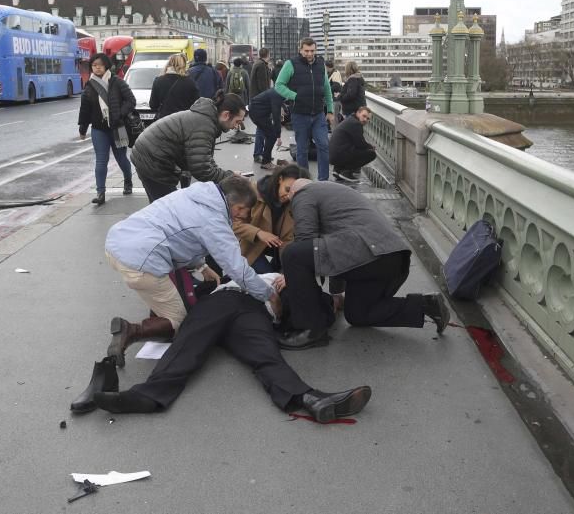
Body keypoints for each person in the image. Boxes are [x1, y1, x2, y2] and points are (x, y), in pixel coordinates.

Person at [92, 286, 372, 422]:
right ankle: (147, 395)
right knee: (189, 346)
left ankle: (309, 397)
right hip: (221, 299)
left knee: (266, 356)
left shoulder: (286, 288)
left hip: (253, 312)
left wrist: (331, 305)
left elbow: (327, 304)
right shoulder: (241, 269)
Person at [103, 176, 279, 367]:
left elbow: (181, 234)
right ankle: (130, 331)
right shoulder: (214, 220)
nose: (244, 216)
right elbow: (237, 268)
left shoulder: (196, 194)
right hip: (141, 261)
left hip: (117, 243)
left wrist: (201, 266)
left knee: (165, 295)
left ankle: (157, 314)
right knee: (178, 321)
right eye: (242, 209)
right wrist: (269, 294)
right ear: (232, 202)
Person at [275, 179, 450, 349]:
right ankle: (426, 305)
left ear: (294, 193)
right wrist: (336, 293)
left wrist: (291, 276)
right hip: (390, 258)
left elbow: (305, 240)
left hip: (369, 253)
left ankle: (311, 329)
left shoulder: (304, 193)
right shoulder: (335, 194)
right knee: (358, 314)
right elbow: (332, 252)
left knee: (293, 254)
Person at [77, 53, 136, 205]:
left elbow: (131, 101)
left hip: (118, 127)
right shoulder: (90, 85)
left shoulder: (117, 82)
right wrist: (83, 128)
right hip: (99, 129)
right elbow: (85, 109)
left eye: (100, 65)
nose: (97, 68)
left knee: (121, 158)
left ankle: (128, 181)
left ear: (106, 66)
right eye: (94, 65)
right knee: (101, 161)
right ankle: (100, 193)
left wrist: (120, 114)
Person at [274, 38, 334, 181]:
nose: (309, 54)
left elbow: (326, 88)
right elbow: (279, 85)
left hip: (319, 114)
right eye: (306, 51)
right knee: (302, 150)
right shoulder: (290, 64)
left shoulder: (320, 64)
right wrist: (295, 96)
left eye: (312, 50)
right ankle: (304, 181)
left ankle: (323, 181)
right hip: (300, 114)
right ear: (300, 49)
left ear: (315, 50)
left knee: (324, 145)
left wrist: (330, 110)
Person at [234, 164, 308, 274]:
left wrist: (286, 272)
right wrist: (259, 233)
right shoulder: (253, 192)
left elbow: (288, 239)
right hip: (247, 245)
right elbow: (233, 223)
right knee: (269, 280)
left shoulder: (294, 203)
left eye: (293, 193)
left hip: (275, 246)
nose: (288, 196)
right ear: (280, 179)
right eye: (287, 189)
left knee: (281, 278)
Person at [329, 106, 376, 182]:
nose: (365, 120)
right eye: (364, 116)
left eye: (368, 119)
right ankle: (346, 172)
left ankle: (338, 170)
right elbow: (360, 143)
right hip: (338, 155)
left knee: (354, 149)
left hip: (333, 156)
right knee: (371, 154)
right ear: (358, 113)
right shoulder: (356, 124)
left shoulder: (350, 120)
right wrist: (371, 147)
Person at [149, 53, 199, 120]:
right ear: (184, 65)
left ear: (169, 64)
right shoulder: (190, 82)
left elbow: (153, 105)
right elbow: (196, 104)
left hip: (164, 121)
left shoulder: (158, 81)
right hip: (183, 120)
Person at [248, 85, 284, 169]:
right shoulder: (277, 95)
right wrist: (278, 136)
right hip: (257, 113)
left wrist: (282, 108)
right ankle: (266, 162)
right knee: (272, 135)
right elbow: (276, 117)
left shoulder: (277, 90)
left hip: (259, 111)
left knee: (269, 134)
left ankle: (266, 157)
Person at [326, 60, 344, 128]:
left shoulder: (335, 73)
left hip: (335, 99)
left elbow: (336, 86)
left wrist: (327, 90)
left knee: (334, 118)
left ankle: (335, 134)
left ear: (327, 67)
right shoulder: (330, 73)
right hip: (332, 99)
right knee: (333, 117)